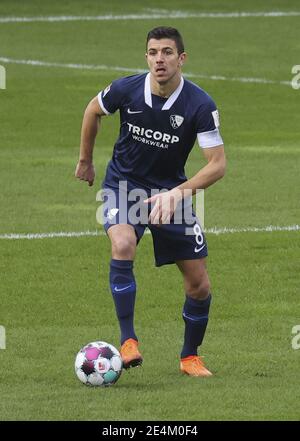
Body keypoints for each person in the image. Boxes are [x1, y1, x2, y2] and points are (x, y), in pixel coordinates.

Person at [75, 26, 226, 377]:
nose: (160, 59)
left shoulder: (200, 104)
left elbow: (217, 165)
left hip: (172, 192)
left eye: (167, 52)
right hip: (124, 187)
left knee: (199, 284)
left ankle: (190, 357)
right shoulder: (127, 89)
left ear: (181, 59)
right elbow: (92, 111)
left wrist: (177, 194)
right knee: (124, 242)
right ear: (146, 57)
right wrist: (85, 160)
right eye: (153, 52)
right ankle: (128, 341)